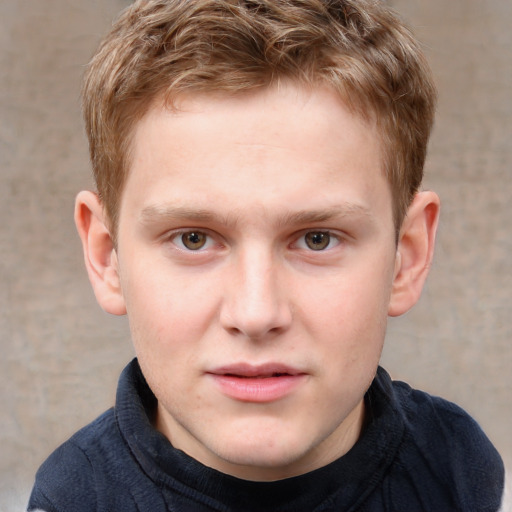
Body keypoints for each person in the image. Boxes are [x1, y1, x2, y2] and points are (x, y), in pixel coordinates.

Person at [28, 0, 505, 510]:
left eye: (317, 239)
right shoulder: (72, 498)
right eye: (194, 238)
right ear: (107, 256)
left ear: (406, 256)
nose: (256, 314)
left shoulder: (461, 468)